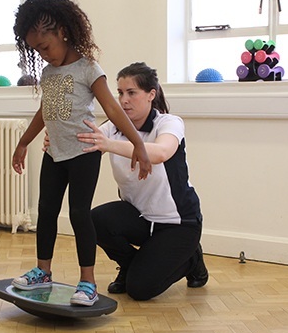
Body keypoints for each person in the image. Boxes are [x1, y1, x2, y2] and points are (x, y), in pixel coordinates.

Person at [9, 0, 152, 307]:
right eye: (36, 50)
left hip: (84, 153)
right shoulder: (49, 73)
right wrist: (23, 142)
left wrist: (138, 144)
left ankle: (87, 281)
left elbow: (113, 109)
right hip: (55, 153)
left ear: (62, 31)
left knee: (78, 214)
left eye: (45, 47)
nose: (43, 54)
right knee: (46, 211)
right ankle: (42, 271)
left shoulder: (88, 68)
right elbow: (45, 111)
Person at [45, 62, 208, 301]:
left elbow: (161, 152)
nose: (124, 100)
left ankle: (191, 259)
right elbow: (84, 145)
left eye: (132, 93)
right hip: (139, 217)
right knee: (94, 221)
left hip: (178, 224)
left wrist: (109, 145)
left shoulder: (169, 123)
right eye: (120, 93)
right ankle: (132, 265)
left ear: (151, 94)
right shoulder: (112, 128)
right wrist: (58, 140)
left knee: (140, 290)